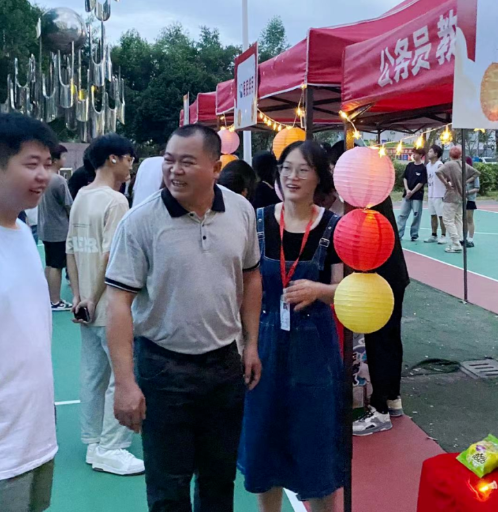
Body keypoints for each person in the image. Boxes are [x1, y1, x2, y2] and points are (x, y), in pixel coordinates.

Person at [105, 124, 262, 511]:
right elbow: (118, 302)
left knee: (219, 480)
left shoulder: (241, 211)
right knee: (168, 486)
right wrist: (125, 382)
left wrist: (251, 344)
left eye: (187, 162)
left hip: (224, 365)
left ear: (215, 167)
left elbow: (251, 276)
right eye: (169, 160)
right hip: (163, 369)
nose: (174, 170)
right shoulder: (140, 222)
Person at [239, 141, 344, 512]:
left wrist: (320, 290)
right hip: (264, 343)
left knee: (316, 445)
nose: (292, 177)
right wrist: (248, 345)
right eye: (286, 168)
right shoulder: (257, 221)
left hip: (315, 349)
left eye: (303, 169)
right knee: (263, 442)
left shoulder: (335, 227)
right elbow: (242, 284)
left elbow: (349, 290)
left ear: (319, 177)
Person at [66, 134, 144, 476]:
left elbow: (71, 249)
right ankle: (113, 446)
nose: (130, 166)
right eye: (129, 159)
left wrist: (79, 297)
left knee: (92, 375)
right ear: (113, 158)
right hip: (108, 306)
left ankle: (94, 441)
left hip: (85, 306)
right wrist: (94, 298)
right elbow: (110, 256)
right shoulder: (116, 201)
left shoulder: (82, 196)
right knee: (119, 375)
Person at [0, 114, 59, 512]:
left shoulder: (22, 234)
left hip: (35, 436)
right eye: (32, 164)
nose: (44, 176)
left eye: (48, 165)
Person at [353, 194, 410, 436]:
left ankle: (379, 410)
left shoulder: (364, 201)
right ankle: (392, 398)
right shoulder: (376, 195)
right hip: (392, 274)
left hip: (380, 277)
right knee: (389, 338)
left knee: (379, 341)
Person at [38, 144, 73, 311]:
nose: (65, 160)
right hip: (59, 230)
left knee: (50, 264)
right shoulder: (58, 180)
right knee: (56, 266)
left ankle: (48, 297)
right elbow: (69, 205)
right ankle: (55, 300)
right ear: (55, 159)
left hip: (46, 228)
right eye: (63, 157)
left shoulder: (42, 177)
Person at [436, 145, 480, 254]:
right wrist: (465, 181)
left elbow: (438, 172)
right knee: (458, 218)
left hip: (451, 195)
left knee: (448, 220)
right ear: (460, 155)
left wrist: (446, 183)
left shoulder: (449, 164)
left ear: (450, 154)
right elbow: (477, 173)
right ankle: (459, 240)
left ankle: (456, 242)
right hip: (462, 195)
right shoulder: (463, 164)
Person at [397, 147, 427, 241]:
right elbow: (405, 178)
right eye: (413, 153)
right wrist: (407, 190)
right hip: (407, 195)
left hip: (417, 196)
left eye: (415, 153)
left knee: (416, 215)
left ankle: (414, 234)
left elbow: (421, 182)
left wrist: (412, 191)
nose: (413, 155)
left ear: (421, 155)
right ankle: (399, 234)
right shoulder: (409, 165)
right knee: (402, 215)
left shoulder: (423, 168)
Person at [424, 145, 447, 244]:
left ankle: (443, 235)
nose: (428, 153)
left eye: (430, 151)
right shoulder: (428, 165)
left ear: (436, 154)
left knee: (441, 216)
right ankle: (434, 235)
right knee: (432, 215)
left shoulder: (440, 165)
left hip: (439, 194)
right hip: (431, 194)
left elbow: (446, 177)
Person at [465, 157, 480, 247]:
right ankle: (463, 238)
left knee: (469, 219)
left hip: (470, 199)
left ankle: (470, 239)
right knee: (462, 219)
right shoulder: (461, 173)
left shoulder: (474, 174)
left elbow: (477, 188)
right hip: (461, 200)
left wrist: (467, 192)